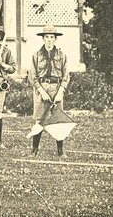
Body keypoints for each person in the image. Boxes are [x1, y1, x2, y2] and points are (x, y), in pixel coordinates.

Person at [27, 24, 70, 157]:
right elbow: (32, 76)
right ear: (43, 38)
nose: (49, 39)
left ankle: (60, 151)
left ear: (55, 39)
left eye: (52, 37)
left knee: (58, 119)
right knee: (39, 120)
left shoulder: (62, 55)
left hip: (57, 88)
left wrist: (61, 91)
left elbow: (66, 75)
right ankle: (35, 150)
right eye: (47, 37)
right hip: (42, 88)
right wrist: (42, 91)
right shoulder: (36, 55)